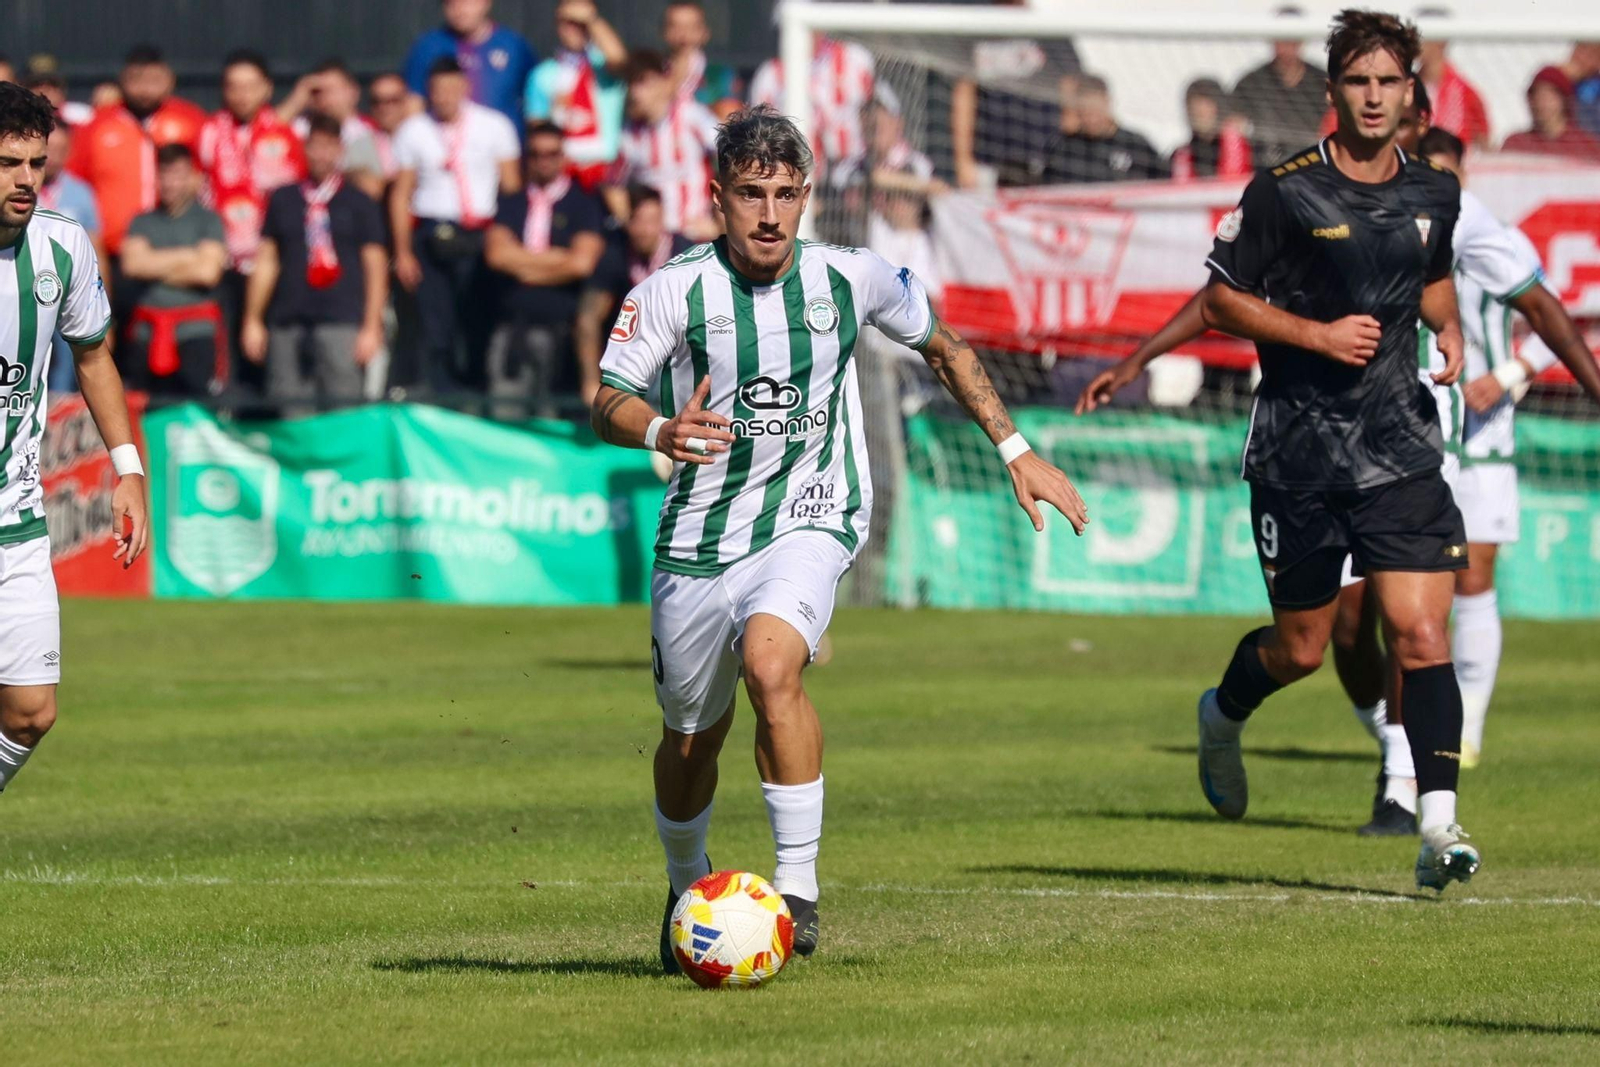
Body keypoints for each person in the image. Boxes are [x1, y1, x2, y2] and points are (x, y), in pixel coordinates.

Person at [588, 104, 1088, 972]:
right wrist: (661, 430)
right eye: (751, 194)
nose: (770, 214)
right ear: (718, 199)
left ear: (808, 195)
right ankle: (683, 882)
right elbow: (606, 399)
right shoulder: (673, 289)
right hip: (701, 534)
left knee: (773, 662)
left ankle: (797, 889)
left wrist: (1015, 448)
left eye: (786, 194)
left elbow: (945, 346)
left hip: (814, 511)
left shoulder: (852, 277)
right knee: (689, 739)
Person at [1193, 11, 1486, 892]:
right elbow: (1219, 303)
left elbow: (1431, 278)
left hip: (1400, 445)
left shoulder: (1437, 191)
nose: (1372, 97)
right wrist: (1316, 336)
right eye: (1357, 82)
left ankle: (1437, 825)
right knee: (1303, 649)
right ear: (1333, 93)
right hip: (1299, 454)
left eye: (1387, 82)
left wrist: (1452, 330)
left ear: (1410, 93)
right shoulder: (1284, 191)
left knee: (1422, 631)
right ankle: (1221, 713)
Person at [1416, 127, 1600, 768]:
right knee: (1415, 582)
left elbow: (1557, 321)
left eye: (1448, 172)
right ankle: (1402, 729)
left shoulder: (1494, 234)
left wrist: (1512, 374)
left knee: (1475, 575)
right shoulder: (1402, 230)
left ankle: (1468, 726)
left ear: (1465, 174)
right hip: (1417, 421)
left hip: (1485, 427)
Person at [0, 83, 150, 799]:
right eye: (7, 163)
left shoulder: (62, 246)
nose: (26, 179)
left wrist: (128, 468)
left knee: (32, 713)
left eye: (35, 162)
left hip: (17, 524)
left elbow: (93, 357)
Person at [390, 56, 520, 394]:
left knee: (476, 317)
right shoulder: (414, 129)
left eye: (452, 89)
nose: (445, 98)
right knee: (435, 322)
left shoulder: (494, 125)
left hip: (479, 233)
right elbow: (401, 194)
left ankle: (476, 390)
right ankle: (439, 392)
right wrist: (402, 251)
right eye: (437, 91)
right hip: (432, 231)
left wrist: (507, 241)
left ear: (465, 87)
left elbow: (511, 189)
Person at [241, 115, 388, 414]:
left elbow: (375, 265)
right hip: (289, 319)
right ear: (304, 149)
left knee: (343, 408)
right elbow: (267, 261)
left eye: (328, 146)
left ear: (340, 151)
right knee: (289, 407)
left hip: (342, 319)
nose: (321, 154)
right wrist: (253, 319)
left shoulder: (359, 201)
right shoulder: (283, 198)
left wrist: (372, 326)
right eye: (315, 146)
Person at [483, 122, 606, 418]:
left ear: (563, 156)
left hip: (561, 331)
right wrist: (556, 258)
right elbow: (497, 255)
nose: (543, 160)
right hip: (512, 326)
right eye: (536, 154)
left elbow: (582, 263)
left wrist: (524, 267)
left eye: (552, 153)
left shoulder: (583, 204)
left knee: (552, 419)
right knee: (505, 417)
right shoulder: (512, 202)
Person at [66, 44, 206, 257]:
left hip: (177, 249)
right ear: (122, 80)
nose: (145, 89)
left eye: (154, 80)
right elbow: (74, 182)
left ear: (169, 80)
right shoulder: (98, 124)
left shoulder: (191, 120)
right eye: (137, 80)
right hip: (112, 250)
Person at [120, 144, 228, 398]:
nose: (170, 183)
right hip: (147, 332)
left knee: (196, 407)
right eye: (164, 174)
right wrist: (188, 256)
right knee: (145, 405)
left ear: (194, 178)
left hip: (195, 332)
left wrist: (154, 265)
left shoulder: (209, 220)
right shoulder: (142, 221)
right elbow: (132, 266)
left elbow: (207, 273)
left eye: (178, 174)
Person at [946, 0, 1081, 190]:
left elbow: (1071, 90)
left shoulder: (1049, 29)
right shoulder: (974, 29)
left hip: (1044, 164)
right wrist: (963, 161)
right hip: (989, 162)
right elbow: (964, 94)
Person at [575, 185, 692, 402]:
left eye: (652, 220)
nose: (646, 230)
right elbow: (588, 318)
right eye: (638, 220)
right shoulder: (616, 255)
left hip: (679, 362)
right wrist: (592, 381)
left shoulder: (687, 255)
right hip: (628, 361)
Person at [198, 51, 308, 281]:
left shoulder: (291, 132)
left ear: (267, 88)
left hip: (278, 254)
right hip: (225, 256)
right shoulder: (209, 131)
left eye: (250, 86)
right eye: (234, 87)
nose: (242, 95)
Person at [606, 52, 720, 240]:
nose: (635, 92)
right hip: (657, 243)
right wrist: (631, 225)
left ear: (665, 82)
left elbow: (732, 156)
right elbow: (612, 185)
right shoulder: (629, 134)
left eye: (643, 83)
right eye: (630, 83)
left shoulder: (690, 116)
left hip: (696, 237)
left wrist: (720, 223)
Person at [524, 0, 628, 190]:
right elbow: (538, 128)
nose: (575, 29)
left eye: (580, 23)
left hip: (605, 171)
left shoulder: (604, 67)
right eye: (568, 23)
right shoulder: (542, 74)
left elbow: (619, 60)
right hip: (564, 175)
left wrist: (591, 19)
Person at [748, 34, 875, 185]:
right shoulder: (770, 74)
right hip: (794, 176)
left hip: (852, 171)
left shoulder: (855, 58)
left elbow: (877, 114)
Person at [37, 121, 105, 395]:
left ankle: (60, 413)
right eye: (48, 148)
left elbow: (95, 249)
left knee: (71, 355)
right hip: (24, 289)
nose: (52, 156)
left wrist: (101, 300)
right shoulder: (18, 187)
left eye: (59, 149)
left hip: (68, 292)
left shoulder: (81, 194)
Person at [403, 0, 537, 130]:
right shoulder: (428, 47)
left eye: (466, 2)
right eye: (451, 3)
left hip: (502, 149)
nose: (459, 9)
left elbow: (534, 101)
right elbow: (414, 104)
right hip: (445, 147)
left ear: (485, 3)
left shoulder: (514, 46)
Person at [1231, 5, 1331, 166]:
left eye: (1292, 37)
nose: (1286, 44)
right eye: (1281, 37)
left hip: (1315, 170)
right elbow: (1234, 130)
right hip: (1264, 170)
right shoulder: (1250, 84)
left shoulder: (1322, 82)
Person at [1032, 74, 1167, 184]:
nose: (1092, 119)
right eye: (1085, 112)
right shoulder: (1062, 147)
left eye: (1096, 110)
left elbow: (1165, 186)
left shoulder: (1136, 145)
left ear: (1108, 102)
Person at [280, 60, 385, 200]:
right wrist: (297, 99)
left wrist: (328, 170)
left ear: (352, 92)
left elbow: (372, 188)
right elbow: (265, 131)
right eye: (318, 92)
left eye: (332, 90)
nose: (324, 98)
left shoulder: (362, 133)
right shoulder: (299, 128)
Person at [1414, 7, 1489, 147]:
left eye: (1422, 36)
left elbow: (1483, 142)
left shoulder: (1466, 94)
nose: (1416, 42)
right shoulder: (1407, 88)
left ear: (1441, 41)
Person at [1501, 65, 1600, 162]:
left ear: (1564, 101)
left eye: (1550, 97)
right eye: (1537, 96)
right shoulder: (1516, 144)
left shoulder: (1589, 147)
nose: (1542, 103)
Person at [1169, 78, 1253, 182]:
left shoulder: (1251, 152)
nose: (1200, 114)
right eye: (1195, 109)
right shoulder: (1177, 159)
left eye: (1206, 108)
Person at [662, 1, 741, 107]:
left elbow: (730, 115)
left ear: (704, 33)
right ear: (664, 32)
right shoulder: (653, 72)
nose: (683, 35)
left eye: (691, 28)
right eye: (675, 27)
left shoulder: (720, 75)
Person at [366, 73, 410, 181]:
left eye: (392, 100)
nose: (384, 108)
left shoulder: (423, 137)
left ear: (405, 102)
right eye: (377, 101)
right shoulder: (361, 145)